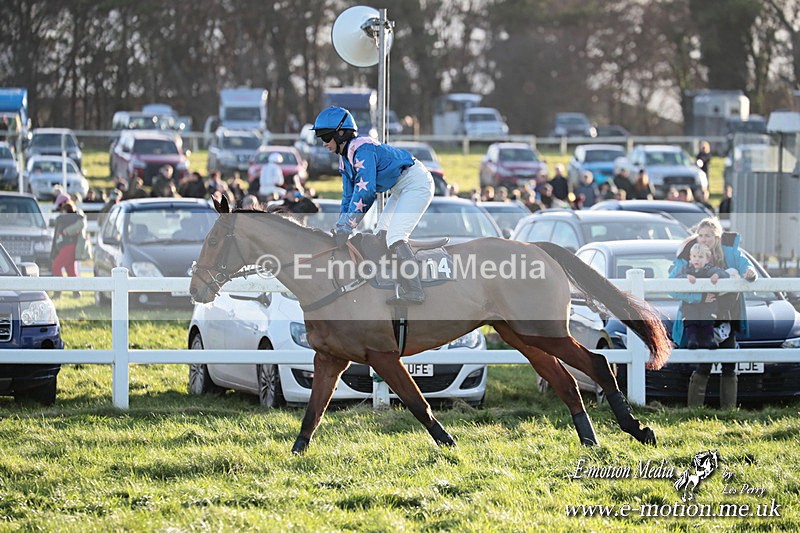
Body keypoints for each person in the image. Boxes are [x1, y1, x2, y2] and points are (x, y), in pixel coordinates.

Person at [313, 105, 434, 305]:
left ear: (341, 134)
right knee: (382, 235)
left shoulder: (362, 149)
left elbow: (366, 192)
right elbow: (348, 196)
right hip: (400, 188)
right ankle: (395, 281)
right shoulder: (345, 160)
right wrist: (341, 226)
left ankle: (415, 289)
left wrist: (348, 226)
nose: (324, 144)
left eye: (326, 138)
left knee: (395, 237)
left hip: (416, 183)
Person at [668, 217, 757, 409]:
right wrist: (699, 296)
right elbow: (672, 285)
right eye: (700, 235)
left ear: (716, 236)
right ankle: (694, 410)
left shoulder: (730, 252)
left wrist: (749, 272)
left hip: (726, 314)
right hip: (700, 314)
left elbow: (744, 265)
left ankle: (729, 411)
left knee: (729, 360)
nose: (703, 239)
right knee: (704, 362)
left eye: (708, 235)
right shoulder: (690, 254)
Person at [672, 243, 730, 349]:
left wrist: (716, 275)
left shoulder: (709, 269)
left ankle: (709, 339)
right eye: (694, 256)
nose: (696, 259)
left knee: (707, 320)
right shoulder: (686, 269)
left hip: (708, 303)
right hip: (690, 303)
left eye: (700, 257)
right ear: (690, 258)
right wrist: (686, 277)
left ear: (707, 259)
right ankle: (692, 340)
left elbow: (724, 274)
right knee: (690, 320)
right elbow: (676, 278)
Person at [50, 195, 87, 299]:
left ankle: (58, 292)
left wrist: (65, 232)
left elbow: (80, 225)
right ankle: (76, 293)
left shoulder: (75, 215)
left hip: (69, 245)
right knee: (70, 270)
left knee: (56, 267)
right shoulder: (72, 215)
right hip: (66, 246)